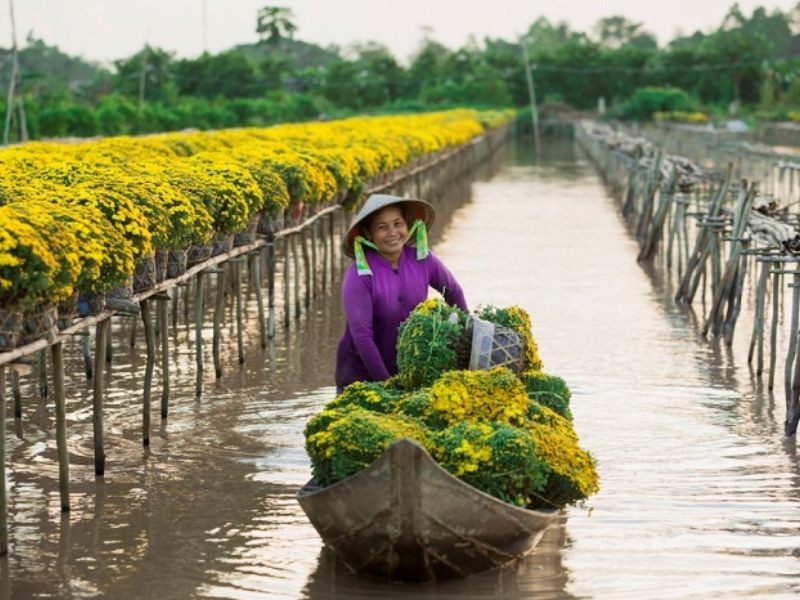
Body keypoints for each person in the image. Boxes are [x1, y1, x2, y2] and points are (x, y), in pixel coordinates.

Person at [335, 193, 468, 392]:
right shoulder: (360, 275)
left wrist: (466, 337)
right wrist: (387, 385)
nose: (392, 232)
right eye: (382, 227)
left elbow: (454, 293)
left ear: (407, 225)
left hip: (407, 371)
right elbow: (362, 336)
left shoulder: (423, 260)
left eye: (398, 223)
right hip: (361, 377)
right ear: (368, 234)